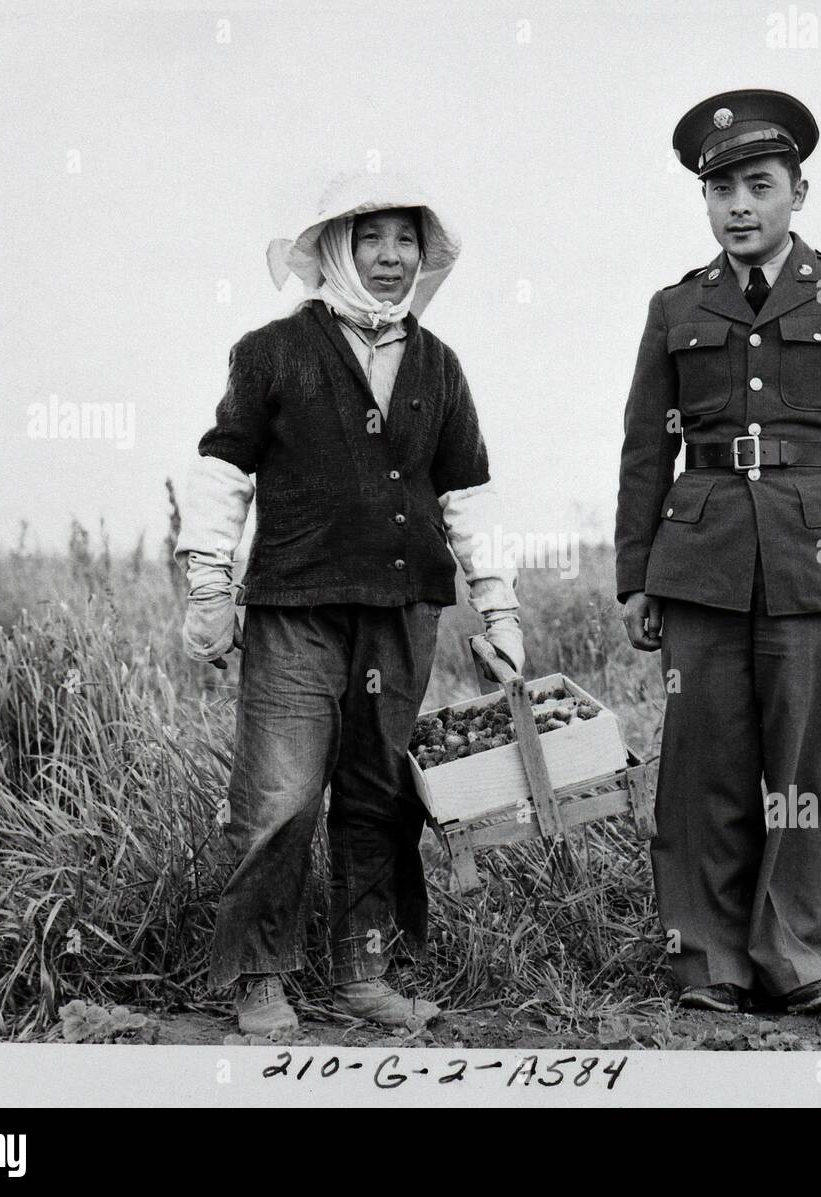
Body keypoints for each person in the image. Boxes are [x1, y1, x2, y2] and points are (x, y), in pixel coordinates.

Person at [175, 169, 524, 1034]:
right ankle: (260, 974)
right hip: (298, 604)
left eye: (406, 240)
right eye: (372, 239)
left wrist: (500, 607)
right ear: (336, 248)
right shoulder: (272, 351)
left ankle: (362, 974)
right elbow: (223, 471)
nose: (391, 256)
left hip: (404, 607)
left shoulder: (440, 366)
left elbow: (469, 494)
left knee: (377, 791)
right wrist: (210, 585)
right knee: (282, 791)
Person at [614, 89, 821, 1016]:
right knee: (700, 772)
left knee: (804, 776)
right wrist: (635, 574)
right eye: (721, 192)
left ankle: (795, 961)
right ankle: (707, 963)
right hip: (698, 562)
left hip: (815, 559)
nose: (738, 206)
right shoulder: (676, 305)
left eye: (758, 185)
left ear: (798, 190)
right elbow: (641, 449)